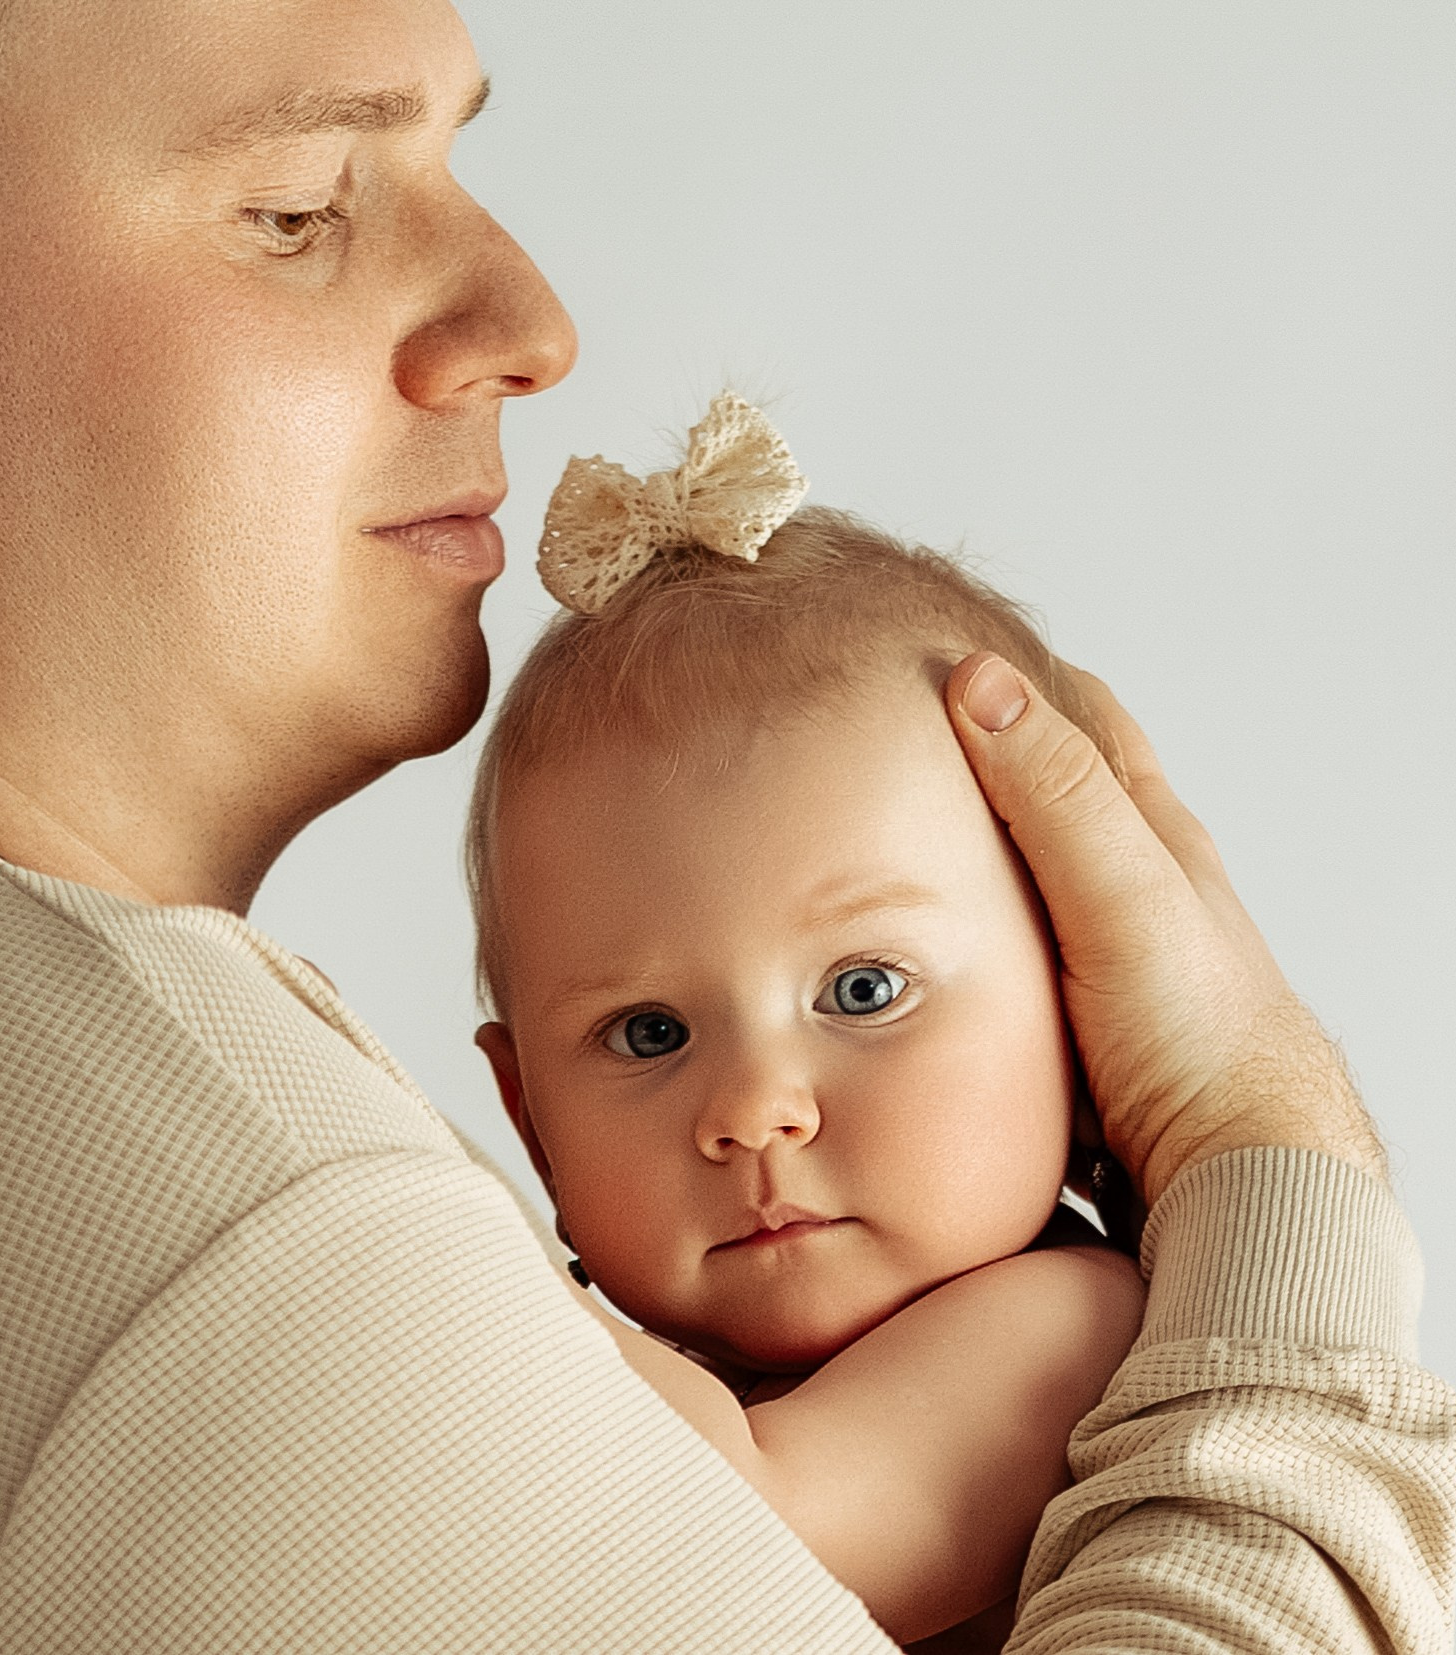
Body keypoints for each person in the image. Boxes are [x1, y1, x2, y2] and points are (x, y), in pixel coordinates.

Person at [0, 2, 1456, 1652]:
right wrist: (1265, 1170)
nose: (525, 319)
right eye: (301, 200)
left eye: (452, 156)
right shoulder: (199, 1212)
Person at [466, 395, 1151, 1645]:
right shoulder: (651, 1358)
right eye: (649, 1033)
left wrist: (426, 1224)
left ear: (1077, 999)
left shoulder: (1071, 1324)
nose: (751, 1108)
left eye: (864, 989)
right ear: (530, 1123)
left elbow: (730, 1535)